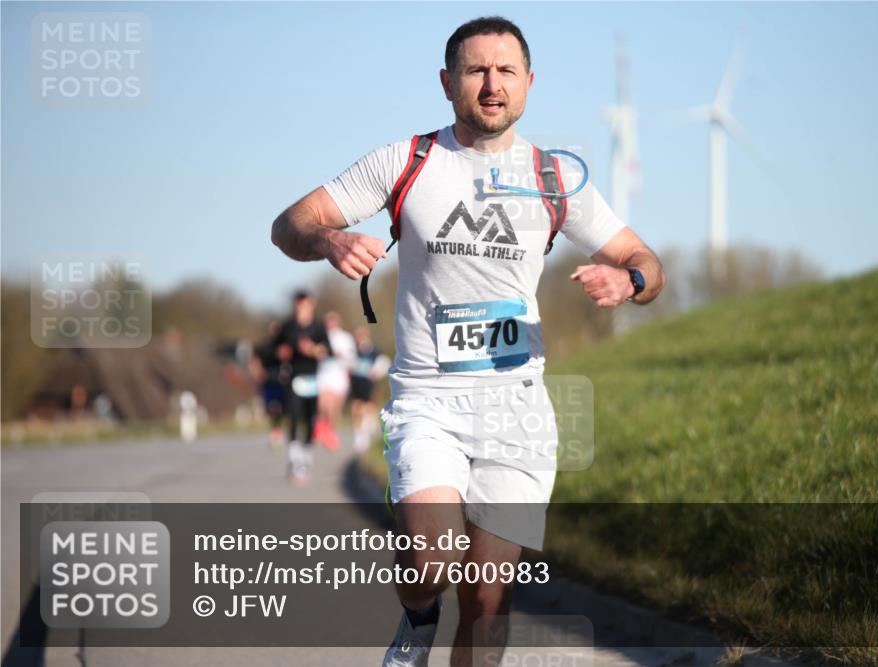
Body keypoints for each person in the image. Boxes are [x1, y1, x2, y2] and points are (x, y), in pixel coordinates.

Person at [271, 16, 663, 666]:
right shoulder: (405, 162)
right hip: (429, 403)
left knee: (487, 596)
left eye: (505, 71)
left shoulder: (553, 177)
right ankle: (419, 614)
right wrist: (328, 239)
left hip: (517, 412)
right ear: (448, 81)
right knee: (431, 557)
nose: (491, 84)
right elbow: (290, 223)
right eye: (476, 70)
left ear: (529, 83)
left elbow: (647, 260)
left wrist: (632, 279)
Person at [273, 290, 330, 485]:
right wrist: (281, 352)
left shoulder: (318, 326)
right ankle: (295, 460)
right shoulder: (287, 326)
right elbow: (274, 349)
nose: (301, 308)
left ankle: (306, 459)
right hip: (293, 378)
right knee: (294, 419)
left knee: (310, 420)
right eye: (298, 304)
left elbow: (327, 351)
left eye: (304, 304)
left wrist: (313, 350)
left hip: (312, 379)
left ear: (311, 304)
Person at [315, 311, 357, 450]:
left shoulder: (345, 337)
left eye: (332, 321)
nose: (330, 324)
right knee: (323, 403)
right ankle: (322, 428)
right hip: (324, 374)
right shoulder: (320, 336)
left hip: (339, 374)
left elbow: (352, 358)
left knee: (335, 408)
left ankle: (332, 432)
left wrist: (341, 356)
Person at [348, 325, 391, 453]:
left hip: (368, 384)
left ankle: (368, 430)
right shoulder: (354, 350)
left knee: (368, 408)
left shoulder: (373, 351)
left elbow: (384, 362)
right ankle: (359, 435)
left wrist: (376, 372)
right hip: (356, 384)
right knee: (356, 409)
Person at [249, 319, 291, 448]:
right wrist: (257, 373)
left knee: (283, 408)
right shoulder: (264, 345)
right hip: (268, 380)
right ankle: (275, 431)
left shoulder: (286, 345)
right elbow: (253, 360)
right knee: (272, 407)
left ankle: (278, 430)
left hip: (283, 381)